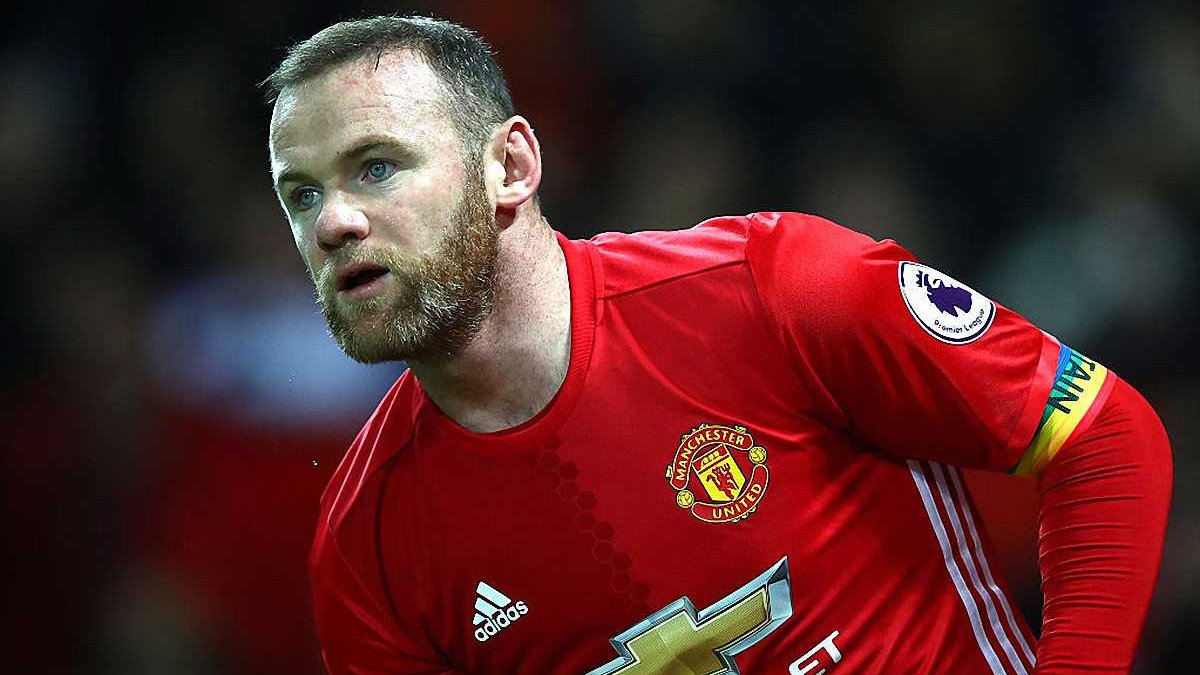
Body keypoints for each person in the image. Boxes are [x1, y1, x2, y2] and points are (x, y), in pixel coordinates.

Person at [264, 15, 1172, 675]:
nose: (333, 221)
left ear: (511, 166)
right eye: (300, 193)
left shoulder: (771, 288)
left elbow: (1103, 432)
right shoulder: (366, 553)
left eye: (376, 167)